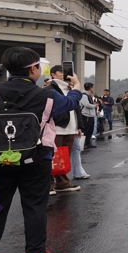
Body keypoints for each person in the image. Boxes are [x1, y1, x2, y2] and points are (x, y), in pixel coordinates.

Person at [0, 47, 81, 253]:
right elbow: (69, 105)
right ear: (34, 69)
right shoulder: (46, 95)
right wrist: (75, 87)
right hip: (37, 159)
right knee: (35, 206)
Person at [48, 66, 82, 194]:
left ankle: (62, 183)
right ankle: (50, 184)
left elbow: (76, 107)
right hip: (56, 128)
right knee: (53, 158)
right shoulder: (51, 89)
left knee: (64, 158)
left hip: (70, 128)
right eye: (61, 72)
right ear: (53, 75)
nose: (64, 74)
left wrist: (78, 126)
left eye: (65, 72)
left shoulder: (70, 88)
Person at [79, 82, 98, 148]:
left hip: (91, 115)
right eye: (93, 87)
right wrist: (94, 106)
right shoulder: (84, 95)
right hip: (86, 115)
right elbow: (86, 104)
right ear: (90, 88)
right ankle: (83, 143)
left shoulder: (89, 95)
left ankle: (88, 143)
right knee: (85, 130)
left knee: (90, 130)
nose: (93, 89)